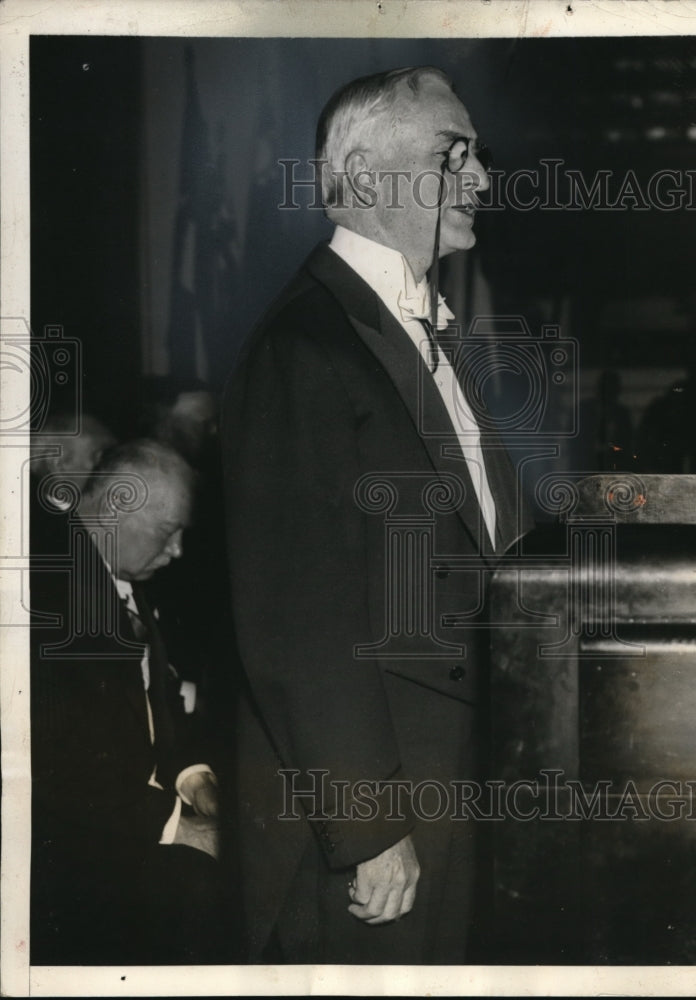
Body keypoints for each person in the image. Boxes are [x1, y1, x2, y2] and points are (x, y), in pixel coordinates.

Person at [222, 66, 526, 963]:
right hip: (370, 836)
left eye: (478, 155)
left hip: (449, 795)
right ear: (364, 177)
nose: (479, 179)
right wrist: (368, 827)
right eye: (453, 153)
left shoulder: (415, 334)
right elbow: (294, 615)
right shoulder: (304, 347)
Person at [30, 439, 223, 964]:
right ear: (115, 505)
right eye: (168, 531)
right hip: (73, 863)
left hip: (126, 821)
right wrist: (176, 823)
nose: (179, 550)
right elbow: (45, 763)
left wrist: (193, 777)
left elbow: (152, 706)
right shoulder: (44, 589)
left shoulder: (124, 573)